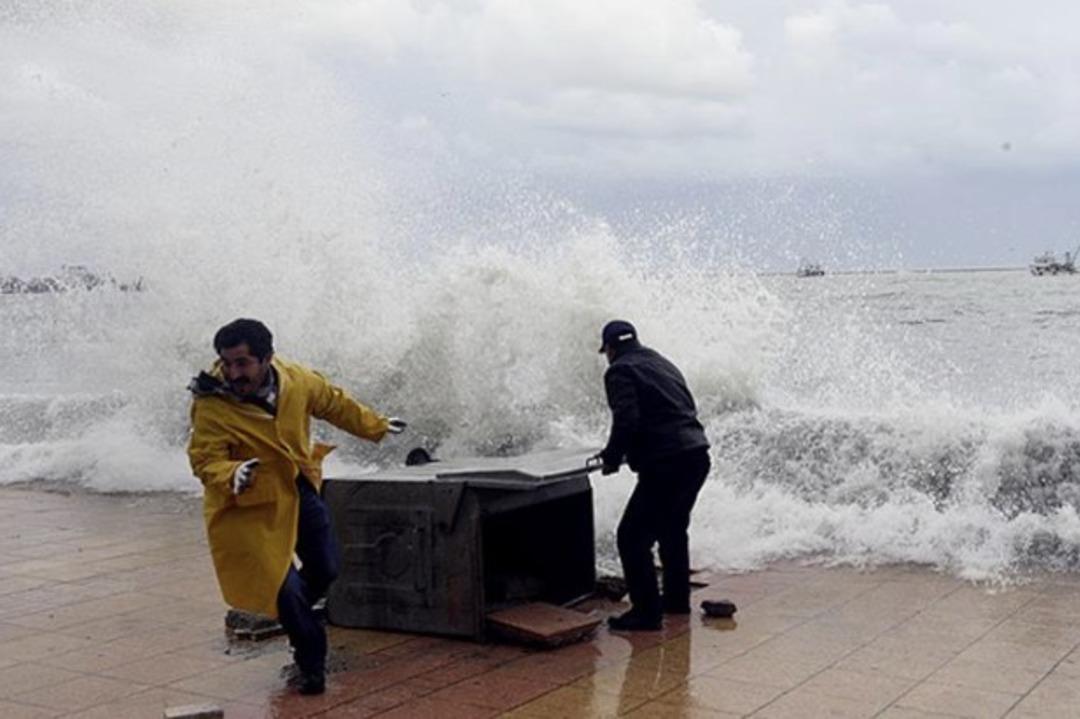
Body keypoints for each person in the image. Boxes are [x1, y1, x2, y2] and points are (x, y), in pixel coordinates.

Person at [186, 318, 405, 695]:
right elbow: (204, 459)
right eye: (227, 363)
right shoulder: (211, 403)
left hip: (296, 486)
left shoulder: (297, 380)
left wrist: (376, 426)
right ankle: (310, 664)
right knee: (284, 589)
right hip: (246, 505)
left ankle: (294, 614)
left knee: (326, 567)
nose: (233, 373)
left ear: (267, 358)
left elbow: (334, 403)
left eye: (242, 363)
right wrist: (232, 472)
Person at [594, 319, 711, 631]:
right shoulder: (661, 362)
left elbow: (627, 419)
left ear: (610, 349)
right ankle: (676, 600)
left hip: (667, 463)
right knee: (673, 530)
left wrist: (612, 457)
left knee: (631, 537)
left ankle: (646, 613)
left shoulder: (619, 370)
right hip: (696, 455)